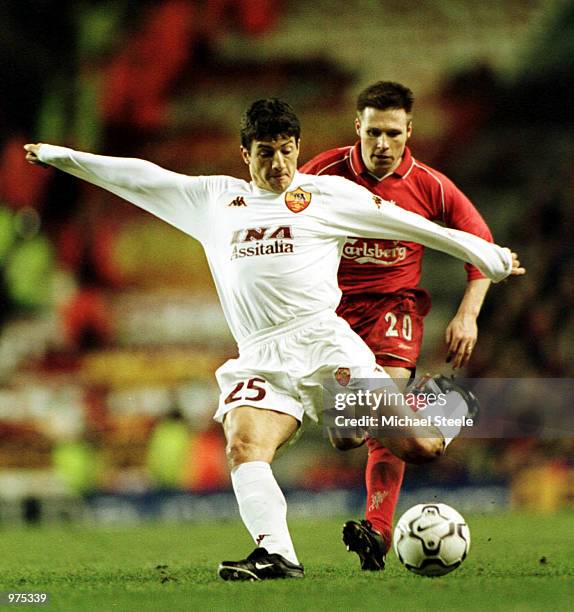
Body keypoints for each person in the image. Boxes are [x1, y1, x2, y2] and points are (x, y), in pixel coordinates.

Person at [24, 98, 524, 581]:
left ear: (298, 147)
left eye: (287, 149)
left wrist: (487, 256)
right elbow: (142, 177)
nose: (280, 163)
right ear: (246, 154)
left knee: (415, 445)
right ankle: (277, 555)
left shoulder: (325, 196)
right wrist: (61, 157)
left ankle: (446, 405)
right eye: (267, 152)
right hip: (262, 357)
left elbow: (405, 223)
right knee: (243, 444)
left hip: (326, 347)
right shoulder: (215, 200)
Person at [300, 81, 498, 570]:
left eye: (392, 133)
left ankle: (379, 531)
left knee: (379, 413)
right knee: (348, 434)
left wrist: (468, 313)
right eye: (373, 133)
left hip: (395, 312)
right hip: (333, 318)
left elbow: (483, 247)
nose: (382, 145)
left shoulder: (429, 185)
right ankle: (436, 399)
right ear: (357, 129)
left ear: (410, 130)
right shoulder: (321, 173)